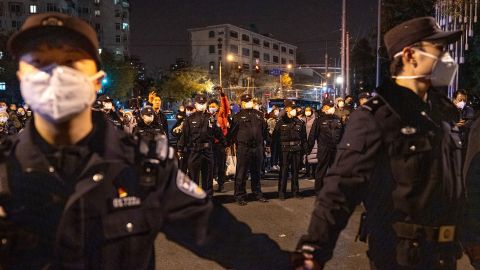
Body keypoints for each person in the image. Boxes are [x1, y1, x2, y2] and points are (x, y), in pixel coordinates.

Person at [0, 12, 294, 270]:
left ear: (96, 79)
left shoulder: (144, 167)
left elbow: (223, 236)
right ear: (21, 76)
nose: (55, 75)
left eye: (71, 62)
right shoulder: (4, 170)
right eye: (39, 62)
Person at [297, 17, 465, 270]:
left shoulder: (441, 114)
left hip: (444, 256)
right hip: (399, 257)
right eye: (439, 50)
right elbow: (340, 189)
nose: (447, 58)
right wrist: (313, 251)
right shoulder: (376, 117)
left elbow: (454, 187)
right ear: (410, 55)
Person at [177, 94, 225, 198]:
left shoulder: (211, 118)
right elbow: (185, 135)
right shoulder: (189, 119)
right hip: (194, 150)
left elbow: (219, 134)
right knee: (193, 176)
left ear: (206, 104)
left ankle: (208, 198)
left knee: (208, 176)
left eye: (203, 103)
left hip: (208, 150)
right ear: (196, 104)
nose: (202, 105)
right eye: (200, 103)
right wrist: (180, 148)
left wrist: (224, 144)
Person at [227, 93, 269, 206]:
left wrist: (265, 143)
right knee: (241, 172)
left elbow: (264, 130)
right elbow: (232, 133)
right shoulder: (238, 116)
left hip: (258, 147)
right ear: (242, 103)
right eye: (245, 101)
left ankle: (257, 193)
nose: (248, 102)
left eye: (249, 100)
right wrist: (230, 144)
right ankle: (240, 195)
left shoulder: (259, 115)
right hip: (244, 147)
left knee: (257, 172)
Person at [307, 99, 343, 193]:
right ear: (324, 107)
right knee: (321, 170)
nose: (332, 108)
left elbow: (342, 134)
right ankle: (319, 190)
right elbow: (312, 136)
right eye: (329, 106)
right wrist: (308, 149)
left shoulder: (337, 119)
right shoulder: (319, 120)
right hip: (324, 148)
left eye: (332, 106)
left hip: (335, 149)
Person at [273, 102, 307, 200]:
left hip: (296, 149)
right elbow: (275, 138)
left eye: (295, 109)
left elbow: (303, 137)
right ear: (287, 109)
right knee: (284, 171)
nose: (294, 110)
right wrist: (275, 153)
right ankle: (281, 192)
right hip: (284, 150)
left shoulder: (299, 122)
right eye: (292, 108)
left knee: (295, 171)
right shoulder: (281, 122)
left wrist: (305, 150)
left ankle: (295, 192)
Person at [452, 89, 475, 157]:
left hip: (463, 143)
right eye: (460, 100)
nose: (462, 102)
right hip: (453, 143)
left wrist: (453, 125)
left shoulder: (468, 110)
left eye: (464, 100)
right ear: (454, 99)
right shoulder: (450, 109)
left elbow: (464, 123)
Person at [302, 106, 318, 179]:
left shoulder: (315, 120)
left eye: (309, 110)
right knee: (306, 156)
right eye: (306, 110)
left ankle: (313, 173)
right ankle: (307, 172)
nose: (307, 112)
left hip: (313, 140)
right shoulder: (303, 119)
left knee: (313, 157)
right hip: (305, 140)